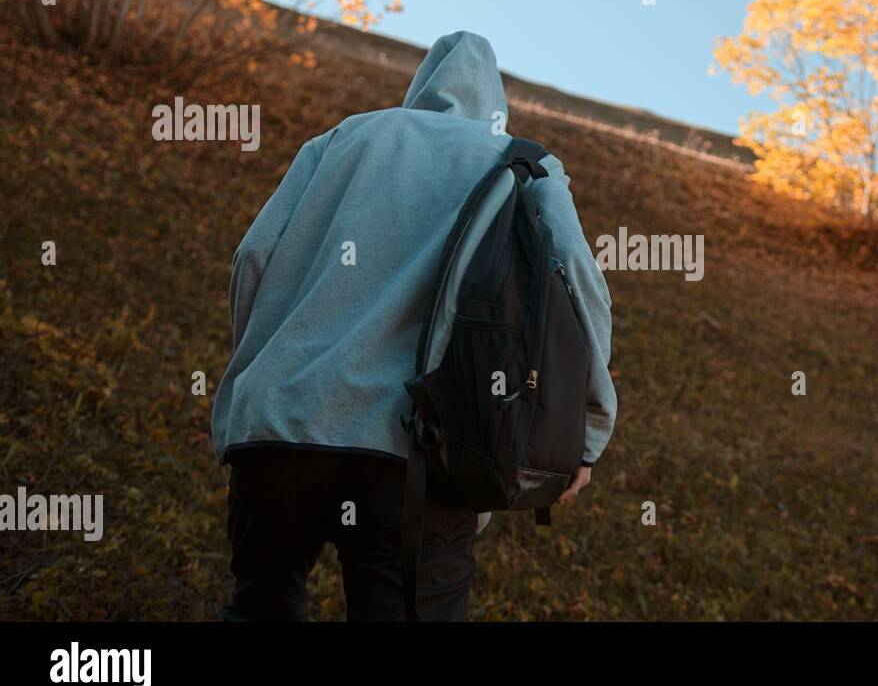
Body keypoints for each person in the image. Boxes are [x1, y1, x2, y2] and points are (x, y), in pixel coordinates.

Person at [210, 31, 616, 621]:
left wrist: (253, 381)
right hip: (415, 459)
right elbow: (579, 285)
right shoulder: (523, 162)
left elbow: (252, 257)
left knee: (258, 611)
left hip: (274, 433)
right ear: (495, 103)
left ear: (419, 89)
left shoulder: (345, 138)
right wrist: (587, 434)